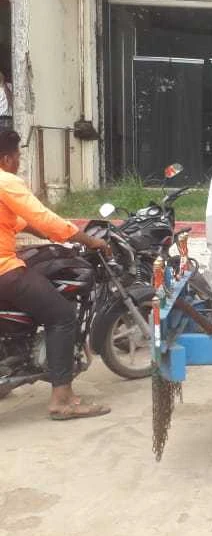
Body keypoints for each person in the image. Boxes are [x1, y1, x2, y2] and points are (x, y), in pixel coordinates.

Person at [0, 130, 111, 419]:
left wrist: (53, 235)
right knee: (61, 315)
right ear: (7, 158)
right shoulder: (6, 181)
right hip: (3, 270)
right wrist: (88, 240)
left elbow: (20, 221)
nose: (18, 164)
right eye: (18, 158)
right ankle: (62, 399)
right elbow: (42, 216)